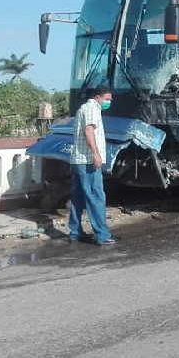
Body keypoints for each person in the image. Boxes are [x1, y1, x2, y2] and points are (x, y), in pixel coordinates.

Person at [69, 86, 117, 245]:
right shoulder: (92, 108)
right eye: (107, 99)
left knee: (78, 197)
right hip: (88, 160)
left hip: (78, 160)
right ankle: (102, 235)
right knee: (95, 196)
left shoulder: (84, 108)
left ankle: (75, 232)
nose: (110, 102)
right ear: (98, 97)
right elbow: (89, 131)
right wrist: (96, 154)